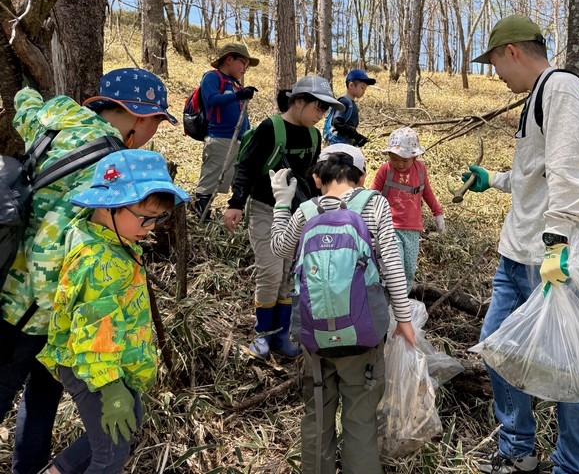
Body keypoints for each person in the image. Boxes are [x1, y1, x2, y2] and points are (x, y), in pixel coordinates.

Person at [0, 68, 177, 474]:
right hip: (58, 305)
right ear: (138, 115)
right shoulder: (117, 170)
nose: (153, 132)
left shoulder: (59, 118)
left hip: (11, 284)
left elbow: (25, 108)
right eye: (155, 122)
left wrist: (27, 87)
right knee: (39, 397)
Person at [462, 15, 579, 474]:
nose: (495, 73)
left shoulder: (560, 88)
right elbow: (535, 174)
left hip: (550, 258)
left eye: (496, 63)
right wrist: (495, 180)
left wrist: (557, 240)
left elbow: (569, 170)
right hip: (516, 255)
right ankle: (518, 449)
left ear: (513, 52)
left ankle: (574, 463)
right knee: (497, 348)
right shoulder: (537, 97)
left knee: (567, 366)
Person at [37, 149, 189, 474]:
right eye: (145, 217)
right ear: (109, 205)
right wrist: (110, 388)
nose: (151, 228)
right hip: (92, 367)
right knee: (111, 456)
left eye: (158, 219)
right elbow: (93, 330)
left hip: (110, 362)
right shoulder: (99, 260)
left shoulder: (110, 240)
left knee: (122, 428)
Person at [269, 144, 416, 474]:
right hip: (363, 333)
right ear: (362, 178)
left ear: (318, 178)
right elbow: (392, 265)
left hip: (314, 334)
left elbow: (279, 248)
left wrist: (281, 202)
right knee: (361, 417)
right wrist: (403, 319)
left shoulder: (306, 210)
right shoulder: (374, 204)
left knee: (317, 413)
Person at [224, 76, 343, 359]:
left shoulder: (314, 136)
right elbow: (247, 167)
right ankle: (262, 333)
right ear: (299, 101)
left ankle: (280, 332)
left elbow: (311, 179)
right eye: (318, 107)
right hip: (266, 209)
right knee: (270, 271)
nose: (321, 115)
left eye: (325, 110)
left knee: (289, 275)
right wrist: (236, 203)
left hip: (296, 215)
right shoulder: (271, 128)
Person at [371, 126, 445, 293]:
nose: (400, 164)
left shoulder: (420, 171)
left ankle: (404, 299)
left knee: (409, 268)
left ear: (415, 156)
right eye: (395, 159)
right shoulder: (385, 170)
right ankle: (390, 298)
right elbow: (373, 193)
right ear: (389, 155)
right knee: (394, 266)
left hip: (412, 229)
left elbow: (427, 192)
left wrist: (438, 212)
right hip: (389, 226)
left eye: (405, 160)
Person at [193, 43, 259, 215]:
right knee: (212, 176)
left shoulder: (234, 84)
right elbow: (212, 99)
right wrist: (239, 95)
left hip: (238, 139)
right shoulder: (212, 77)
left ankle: (238, 211)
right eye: (243, 63)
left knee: (237, 177)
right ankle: (202, 212)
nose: (245, 68)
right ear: (229, 59)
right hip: (219, 136)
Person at [322, 68, 376, 147]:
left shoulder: (350, 103)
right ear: (351, 85)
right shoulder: (344, 102)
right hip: (338, 144)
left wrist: (356, 138)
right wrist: (355, 135)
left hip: (345, 143)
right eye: (362, 87)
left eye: (365, 89)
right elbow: (337, 123)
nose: (364, 91)